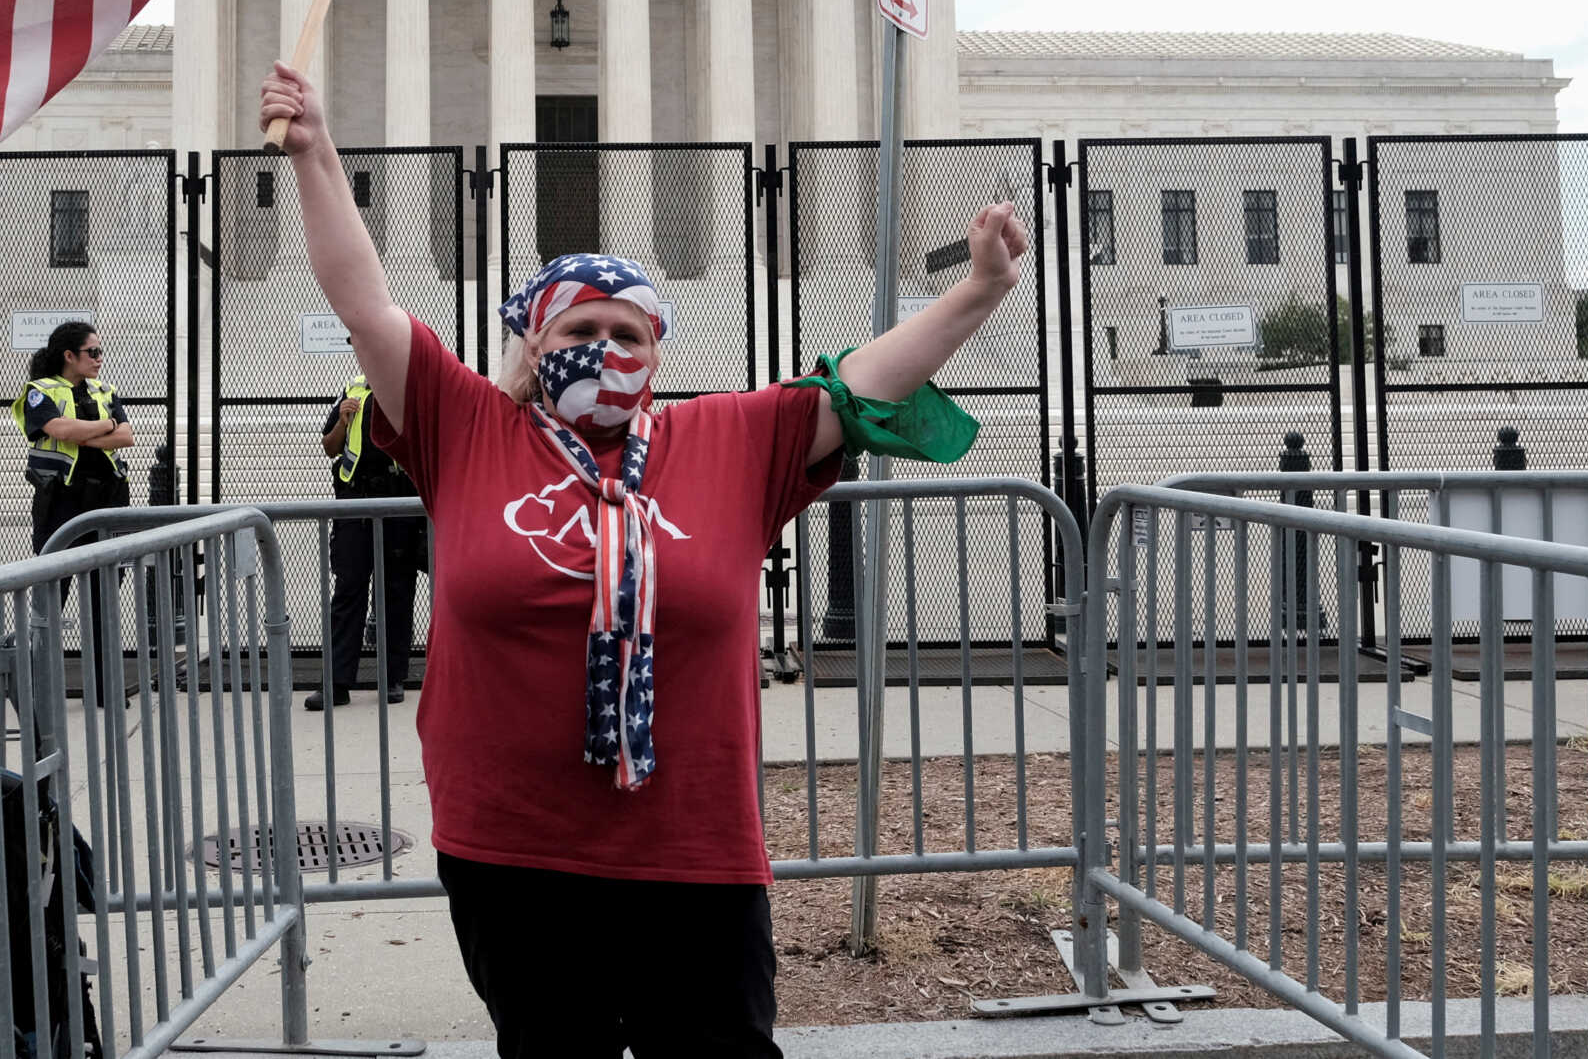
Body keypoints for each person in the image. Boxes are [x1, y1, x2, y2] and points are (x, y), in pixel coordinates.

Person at [259, 59, 1028, 1059]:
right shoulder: (470, 429)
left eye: (628, 332)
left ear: (658, 355)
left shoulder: (732, 439)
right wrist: (317, 149)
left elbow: (864, 384)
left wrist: (978, 288)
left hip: (692, 848)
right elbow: (367, 306)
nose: (606, 346)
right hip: (514, 847)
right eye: (581, 327)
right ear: (536, 342)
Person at [307, 371, 429, 711]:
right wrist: (343, 421)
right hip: (356, 503)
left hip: (396, 505)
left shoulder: (410, 391)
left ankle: (392, 678)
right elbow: (329, 448)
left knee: (396, 591)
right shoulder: (352, 389)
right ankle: (336, 683)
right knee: (348, 592)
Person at [12, 320, 136, 558]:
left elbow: (126, 436)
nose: (99, 358)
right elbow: (61, 430)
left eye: (100, 351)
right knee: (55, 584)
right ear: (69, 356)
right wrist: (108, 424)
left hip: (108, 497)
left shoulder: (104, 390)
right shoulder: (40, 391)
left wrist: (85, 437)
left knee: (107, 581)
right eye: (93, 352)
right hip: (61, 501)